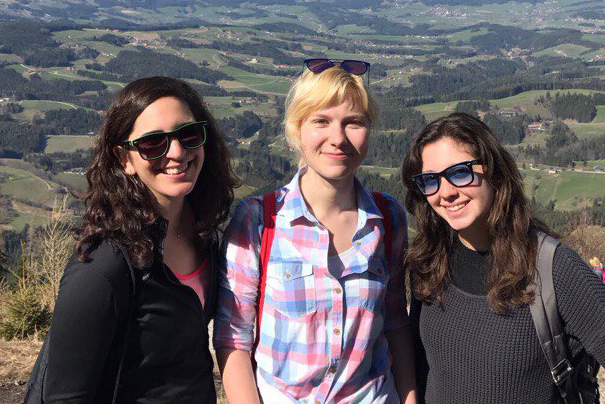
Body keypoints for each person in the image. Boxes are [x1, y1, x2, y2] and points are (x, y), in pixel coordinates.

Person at [401, 113, 605, 404]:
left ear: (494, 172)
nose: (445, 192)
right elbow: (421, 368)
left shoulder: (553, 269)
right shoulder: (429, 263)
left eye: (460, 173)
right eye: (430, 180)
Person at [214, 59, 415, 404]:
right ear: (297, 130)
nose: (338, 139)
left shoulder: (388, 219)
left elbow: (395, 322)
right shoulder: (259, 221)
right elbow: (233, 340)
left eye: (353, 123)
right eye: (321, 121)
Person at [42, 76, 237, 402]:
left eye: (188, 134)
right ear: (124, 160)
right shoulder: (102, 268)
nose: (176, 152)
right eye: (152, 143)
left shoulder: (204, 237)